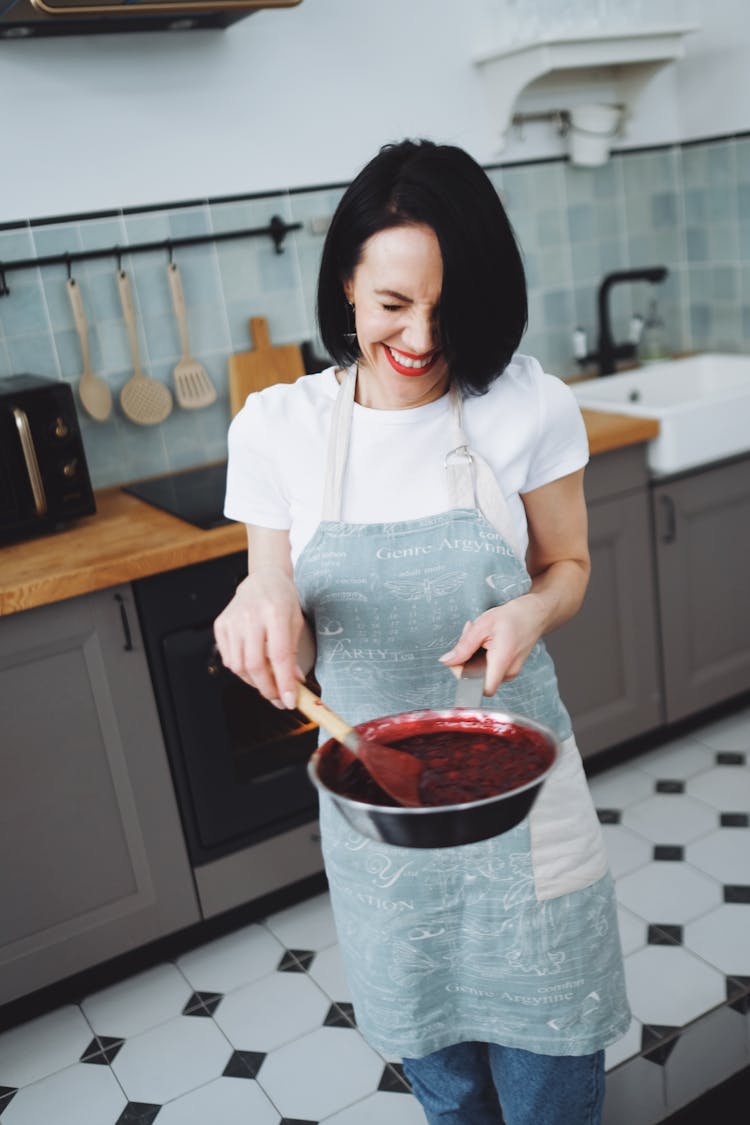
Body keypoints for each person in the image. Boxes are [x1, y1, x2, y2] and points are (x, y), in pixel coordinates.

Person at [214, 138, 630, 1125]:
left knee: (552, 1084)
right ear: (347, 288)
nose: (420, 338)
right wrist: (256, 607)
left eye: (450, 307)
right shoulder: (278, 427)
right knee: (447, 1090)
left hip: (523, 800)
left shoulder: (526, 403)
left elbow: (565, 565)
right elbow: (274, 591)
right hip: (380, 826)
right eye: (393, 305)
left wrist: (530, 610)